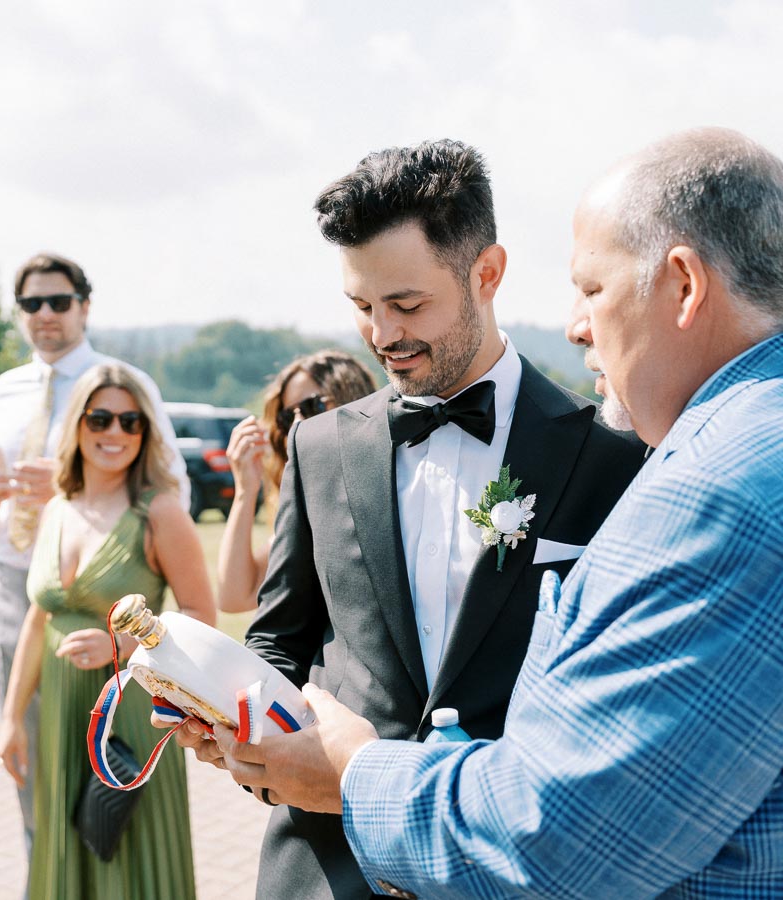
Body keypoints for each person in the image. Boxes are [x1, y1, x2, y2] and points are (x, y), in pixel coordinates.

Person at [208, 128, 783, 898]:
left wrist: (354, 773)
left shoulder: (712, 493)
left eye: (592, 289)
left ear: (684, 285)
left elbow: (560, 843)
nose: (574, 323)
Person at [177, 139, 647, 899]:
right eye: (362, 307)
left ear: (486, 273)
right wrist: (237, 728)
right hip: (325, 870)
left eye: (407, 303)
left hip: (506, 873)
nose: (382, 335)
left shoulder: (609, 459)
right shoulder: (319, 446)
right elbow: (280, 639)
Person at [0, 252, 188, 869]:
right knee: (33, 757)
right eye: (31, 304)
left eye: (58, 302)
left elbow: (172, 492)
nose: (45, 315)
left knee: (111, 771)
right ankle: (48, 869)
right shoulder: (2, 392)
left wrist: (74, 495)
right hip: (18, 586)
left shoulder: (123, 386)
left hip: (110, 591)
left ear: (84, 306)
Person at [0, 363, 214, 899]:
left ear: (145, 432)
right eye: (100, 418)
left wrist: (122, 645)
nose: (114, 433)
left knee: (131, 853)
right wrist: (11, 719)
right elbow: (37, 616)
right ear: (77, 426)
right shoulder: (57, 508)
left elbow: (201, 615)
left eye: (130, 422)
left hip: (130, 714)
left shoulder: (160, 512)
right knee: (65, 847)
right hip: (59, 714)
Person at [217, 349, 378, 612]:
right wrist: (246, 492)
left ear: (354, 402)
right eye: (286, 417)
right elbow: (234, 597)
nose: (297, 425)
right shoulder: (309, 509)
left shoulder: (393, 490)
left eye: (311, 407)